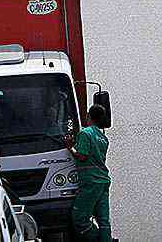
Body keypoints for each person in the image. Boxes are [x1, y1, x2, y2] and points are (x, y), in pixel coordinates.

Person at [66, 104, 112, 242]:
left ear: (88, 116)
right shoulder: (103, 138)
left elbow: (82, 156)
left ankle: (96, 238)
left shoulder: (85, 133)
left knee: (80, 219)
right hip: (103, 181)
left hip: (90, 182)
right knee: (103, 220)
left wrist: (70, 147)